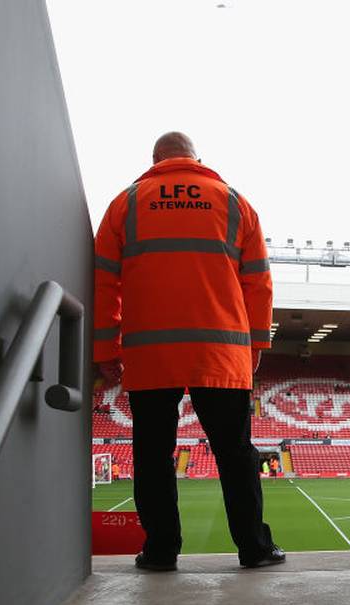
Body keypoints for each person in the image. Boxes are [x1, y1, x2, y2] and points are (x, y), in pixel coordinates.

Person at [94, 131, 283, 572]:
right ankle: (254, 548)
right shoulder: (234, 202)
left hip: (150, 354)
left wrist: (106, 348)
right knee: (235, 454)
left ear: (156, 160)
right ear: (197, 159)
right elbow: (259, 281)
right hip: (219, 353)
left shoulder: (127, 203)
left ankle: (160, 551)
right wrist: (256, 343)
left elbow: (104, 282)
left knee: (152, 455)